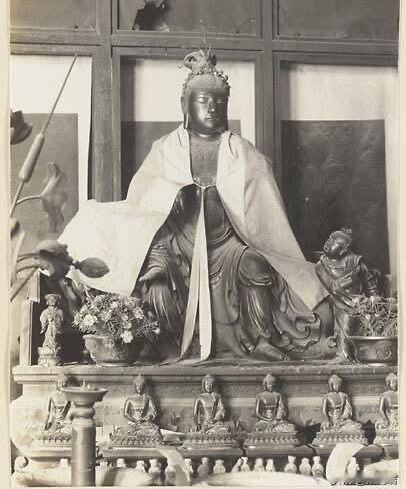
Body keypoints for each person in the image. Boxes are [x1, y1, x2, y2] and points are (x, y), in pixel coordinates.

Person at [59, 48, 329, 363]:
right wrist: (169, 196)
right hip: (179, 244)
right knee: (156, 271)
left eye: (219, 102)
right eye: (203, 101)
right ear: (185, 106)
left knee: (255, 265)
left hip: (228, 244)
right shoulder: (166, 148)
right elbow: (141, 204)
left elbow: (263, 217)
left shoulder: (243, 153)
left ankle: (261, 338)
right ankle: (161, 342)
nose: (212, 108)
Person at [316, 228, 379, 362]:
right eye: (328, 239)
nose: (328, 243)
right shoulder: (321, 265)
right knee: (345, 322)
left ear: (343, 250)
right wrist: (351, 278)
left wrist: (374, 298)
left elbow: (369, 281)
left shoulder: (355, 261)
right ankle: (344, 355)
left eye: (333, 242)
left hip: (362, 301)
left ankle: (363, 354)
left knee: (369, 325)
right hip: (341, 302)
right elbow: (333, 287)